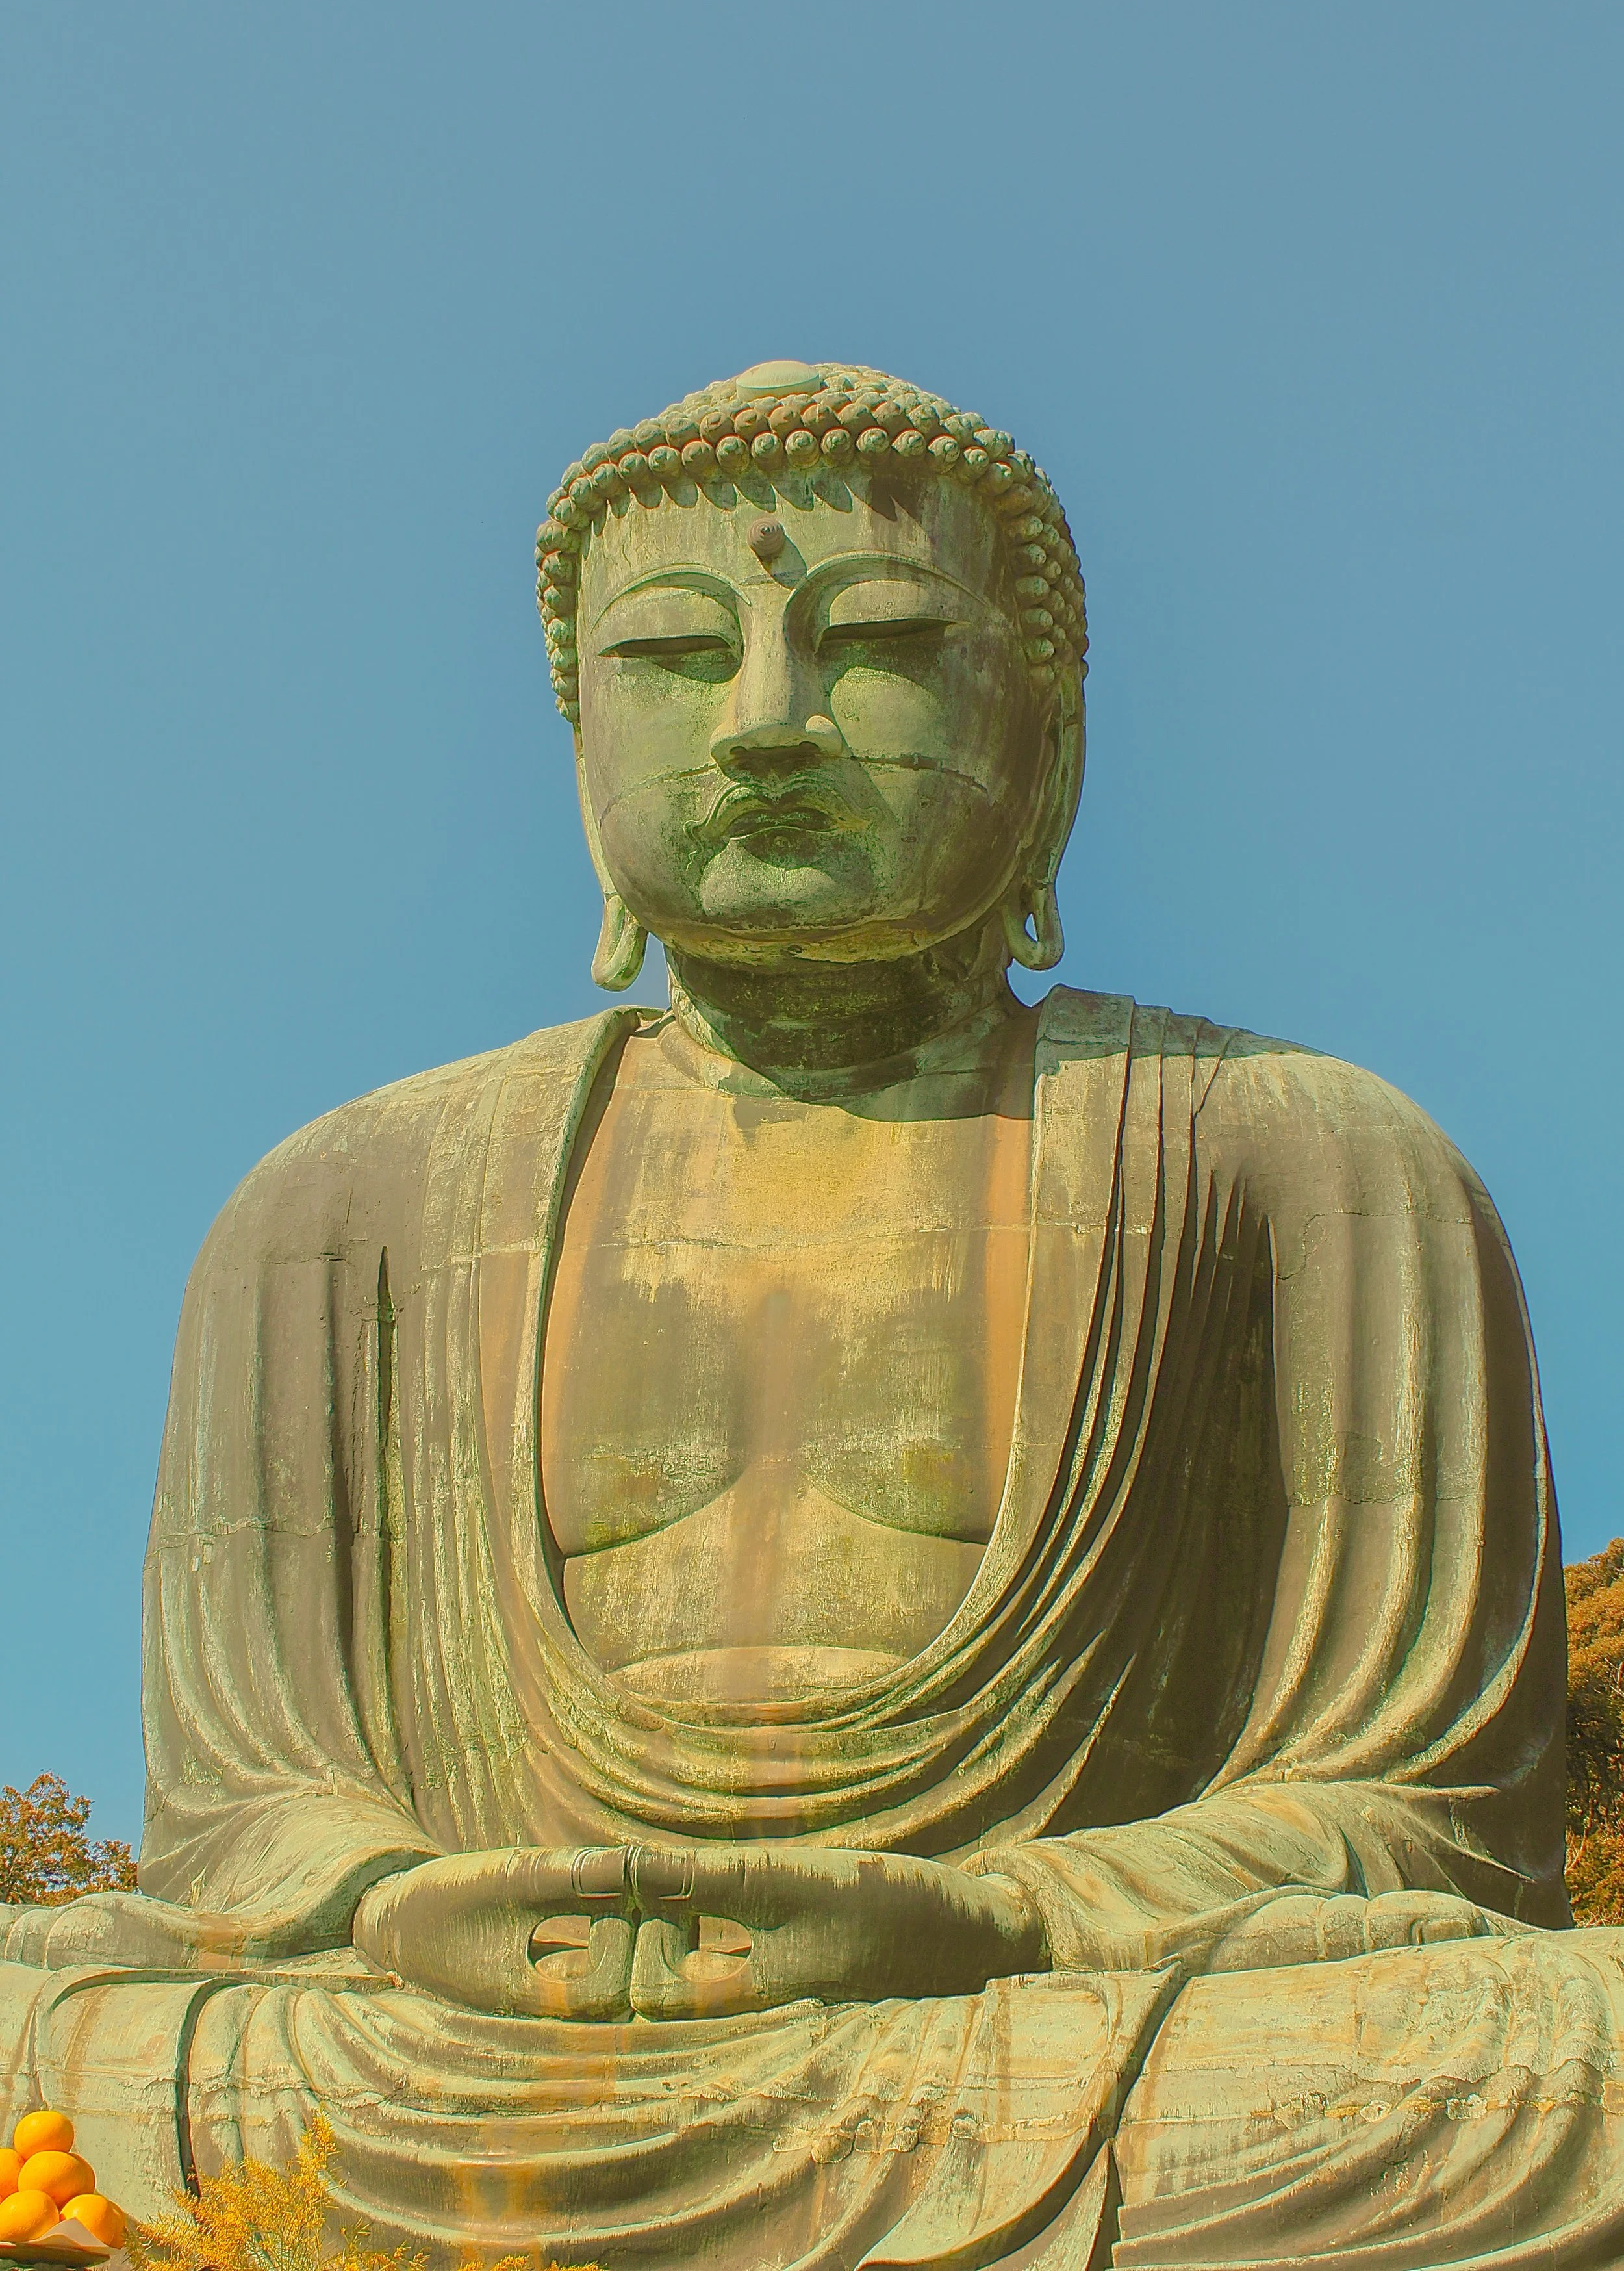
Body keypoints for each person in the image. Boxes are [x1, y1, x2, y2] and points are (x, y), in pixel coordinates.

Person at [3, 361, 1619, 2270]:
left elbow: (1416, 1821)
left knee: (1551, 2057)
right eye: (675, 658)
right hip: (443, 2053)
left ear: (1049, 740)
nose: (762, 727)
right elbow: (247, 1821)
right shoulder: (339, 1208)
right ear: (575, 735)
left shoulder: (1301, 1158)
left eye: (876, 647)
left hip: (1039, 2030)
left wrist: (994, 1918)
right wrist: (395, 1901)